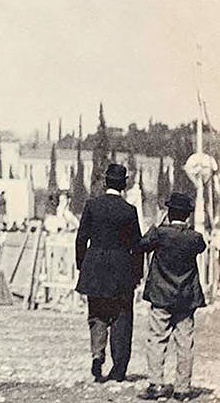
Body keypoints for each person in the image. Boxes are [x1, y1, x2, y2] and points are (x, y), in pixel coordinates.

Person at [74, 162, 143, 383]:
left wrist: (82, 265)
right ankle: (118, 368)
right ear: (124, 184)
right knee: (121, 317)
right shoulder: (129, 211)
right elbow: (137, 245)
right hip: (121, 269)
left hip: (95, 267)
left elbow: (81, 238)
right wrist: (137, 274)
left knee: (97, 313)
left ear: (105, 182)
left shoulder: (92, 206)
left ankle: (97, 354)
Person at [135, 192, 206, 402]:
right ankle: (182, 388)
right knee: (185, 342)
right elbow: (201, 247)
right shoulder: (194, 238)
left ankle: (156, 383)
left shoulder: (159, 233)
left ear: (169, 212)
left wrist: (158, 225)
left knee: (157, 339)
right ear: (187, 215)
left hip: (161, 294)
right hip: (186, 297)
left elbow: (141, 245)